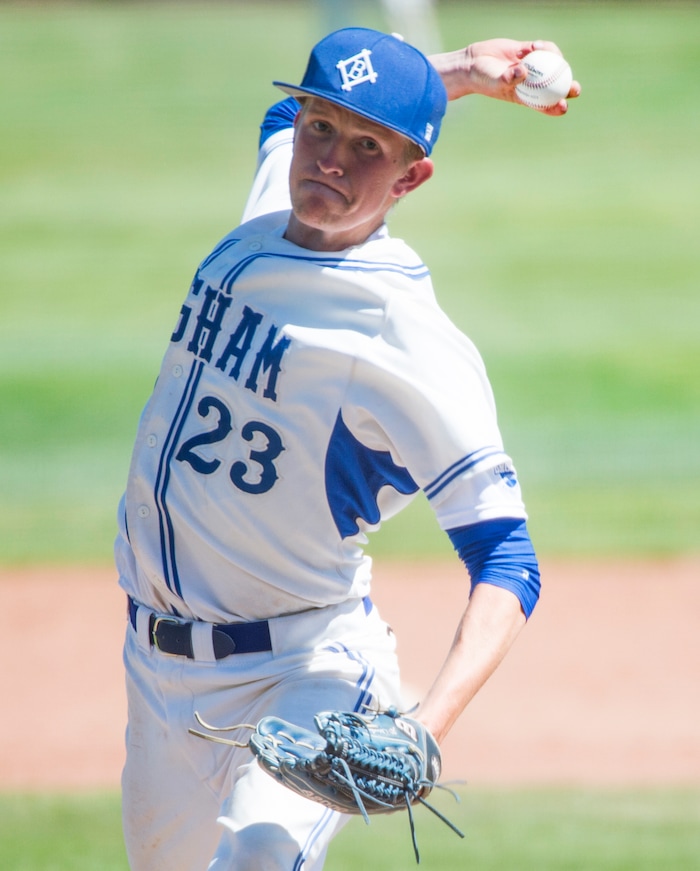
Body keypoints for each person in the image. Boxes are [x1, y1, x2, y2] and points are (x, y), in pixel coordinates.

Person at [117, 28, 580, 871]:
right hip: (155, 673)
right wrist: (458, 76)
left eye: (368, 146)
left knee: (258, 859)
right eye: (321, 129)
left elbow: (508, 559)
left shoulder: (407, 337)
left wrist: (423, 730)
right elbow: (276, 114)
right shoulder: (268, 206)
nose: (329, 159)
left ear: (411, 178)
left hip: (305, 671)